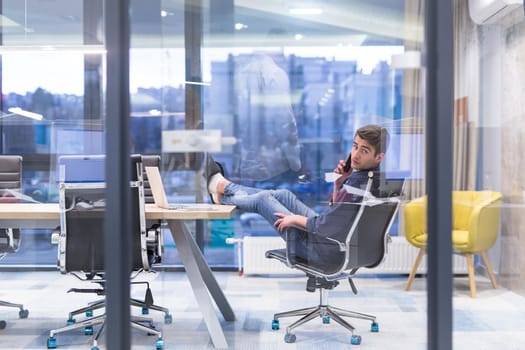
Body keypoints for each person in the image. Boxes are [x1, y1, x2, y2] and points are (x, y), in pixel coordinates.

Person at [206, 124, 389, 290]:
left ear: (378, 157)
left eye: (364, 150)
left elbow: (326, 225)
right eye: (355, 146)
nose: (355, 154)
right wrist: (338, 183)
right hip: (336, 244)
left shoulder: (358, 185)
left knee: (263, 199)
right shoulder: (373, 181)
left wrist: (293, 219)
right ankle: (222, 191)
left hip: (324, 251)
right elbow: (338, 215)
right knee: (284, 195)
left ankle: (223, 191)